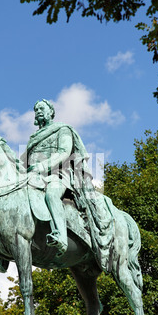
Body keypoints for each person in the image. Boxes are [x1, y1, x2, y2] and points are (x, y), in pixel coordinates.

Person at [22, 99, 114, 265]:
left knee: (51, 194)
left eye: (42, 108)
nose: (38, 111)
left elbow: (64, 152)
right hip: (34, 177)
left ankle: (61, 237)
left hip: (59, 176)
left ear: (51, 112)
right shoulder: (33, 138)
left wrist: (42, 166)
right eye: (36, 110)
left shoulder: (63, 129)